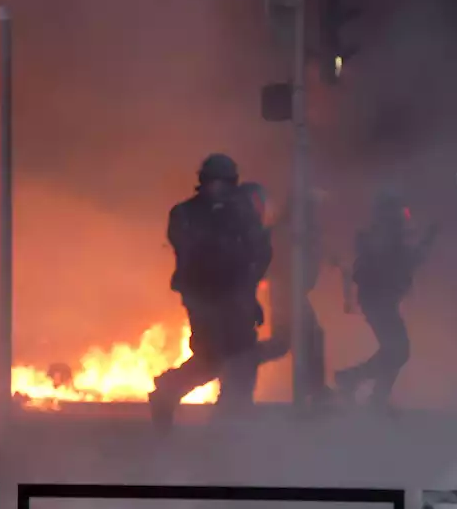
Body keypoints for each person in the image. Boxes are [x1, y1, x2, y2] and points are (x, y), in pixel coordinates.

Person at [149, 154, 271, 429]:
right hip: (203, 296)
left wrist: (249, 296)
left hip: (235, 295)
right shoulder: (186, 214)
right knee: (211, 358)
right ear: (203, 182)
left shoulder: (240, 215)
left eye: (224, 183)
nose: (219, 188)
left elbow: (256, 254)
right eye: (214, 182)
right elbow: (196, 253)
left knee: (243, 356)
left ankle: (231, 416)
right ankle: (168, 392)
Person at [334, 190, 436, 408]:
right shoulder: (383, 237)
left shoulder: (385, 236)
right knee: (398, 349)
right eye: (402, 212)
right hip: (378, 301)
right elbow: (406, 262)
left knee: (395, 349)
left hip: (381, 300)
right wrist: (427, 242)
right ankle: (354, 381)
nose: (405, 217)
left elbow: (403, 263)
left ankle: (373, 394)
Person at [260, 188, 335, 406]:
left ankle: (238, 365)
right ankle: (317, 391)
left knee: (282, 343)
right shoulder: (287, 231)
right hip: (286, 292)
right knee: (309, 335)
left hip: (291, 291)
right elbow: (277, 261)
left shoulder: (304, 231)